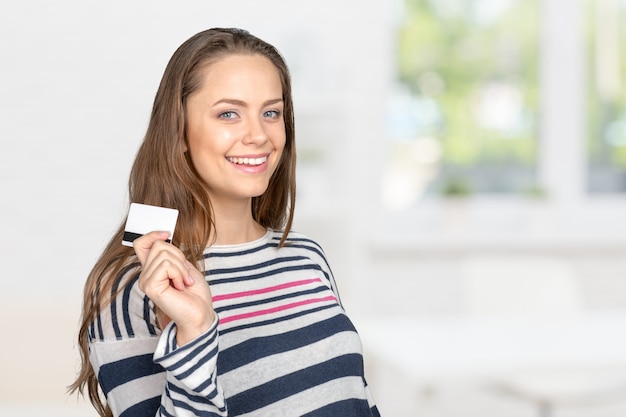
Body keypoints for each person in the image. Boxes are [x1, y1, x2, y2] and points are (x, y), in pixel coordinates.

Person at [70, 27, 381, 417]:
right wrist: (195, 330)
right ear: (178, 131)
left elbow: (357, 401)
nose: (258, 135)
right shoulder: (132, 287)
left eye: (271, 112)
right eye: (229, 113)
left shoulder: (306, 256)